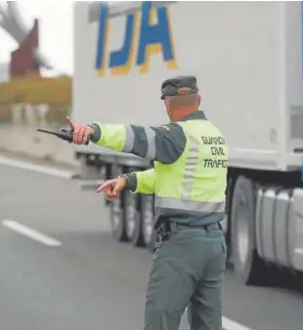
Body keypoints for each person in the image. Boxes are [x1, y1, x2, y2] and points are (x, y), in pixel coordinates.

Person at [66, 75, 229, 330]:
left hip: (181, 247)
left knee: (160, 324)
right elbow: (174, 177)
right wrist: (129, 180)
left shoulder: (176, 135)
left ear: (167, 105)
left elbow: (135, 137)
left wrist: (93, 132)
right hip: (214, 245)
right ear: (198, 100)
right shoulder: (214, 136)